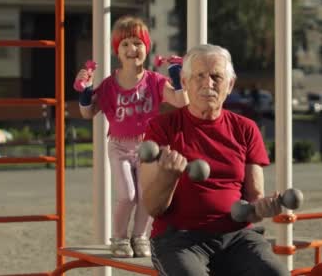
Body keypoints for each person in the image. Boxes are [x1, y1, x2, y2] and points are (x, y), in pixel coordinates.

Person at [139, 44, 289, 276]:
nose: (208, 83)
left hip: (237, 238)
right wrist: (168, 177)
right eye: (199, 76)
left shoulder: (246, 129)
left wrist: (262, 207)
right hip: (178, 238)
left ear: (229, 85)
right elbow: (153, 207)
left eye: (216, 76)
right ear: (185, 82)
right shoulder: (161, 128)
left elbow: (253, 203)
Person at [74, 15, 188, 258]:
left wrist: (177, 76)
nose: (131, 49)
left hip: (149, 148)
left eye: (137, 42)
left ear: (147, 48)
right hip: (119, 147)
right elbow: (87, 112)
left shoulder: (155, 81)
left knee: (147, 196)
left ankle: (140, 237)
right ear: (117, 51)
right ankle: (119, 238)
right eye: (124, 44)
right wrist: (85, 92)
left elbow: (181, 101)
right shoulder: (108, 85)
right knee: (128, 196)